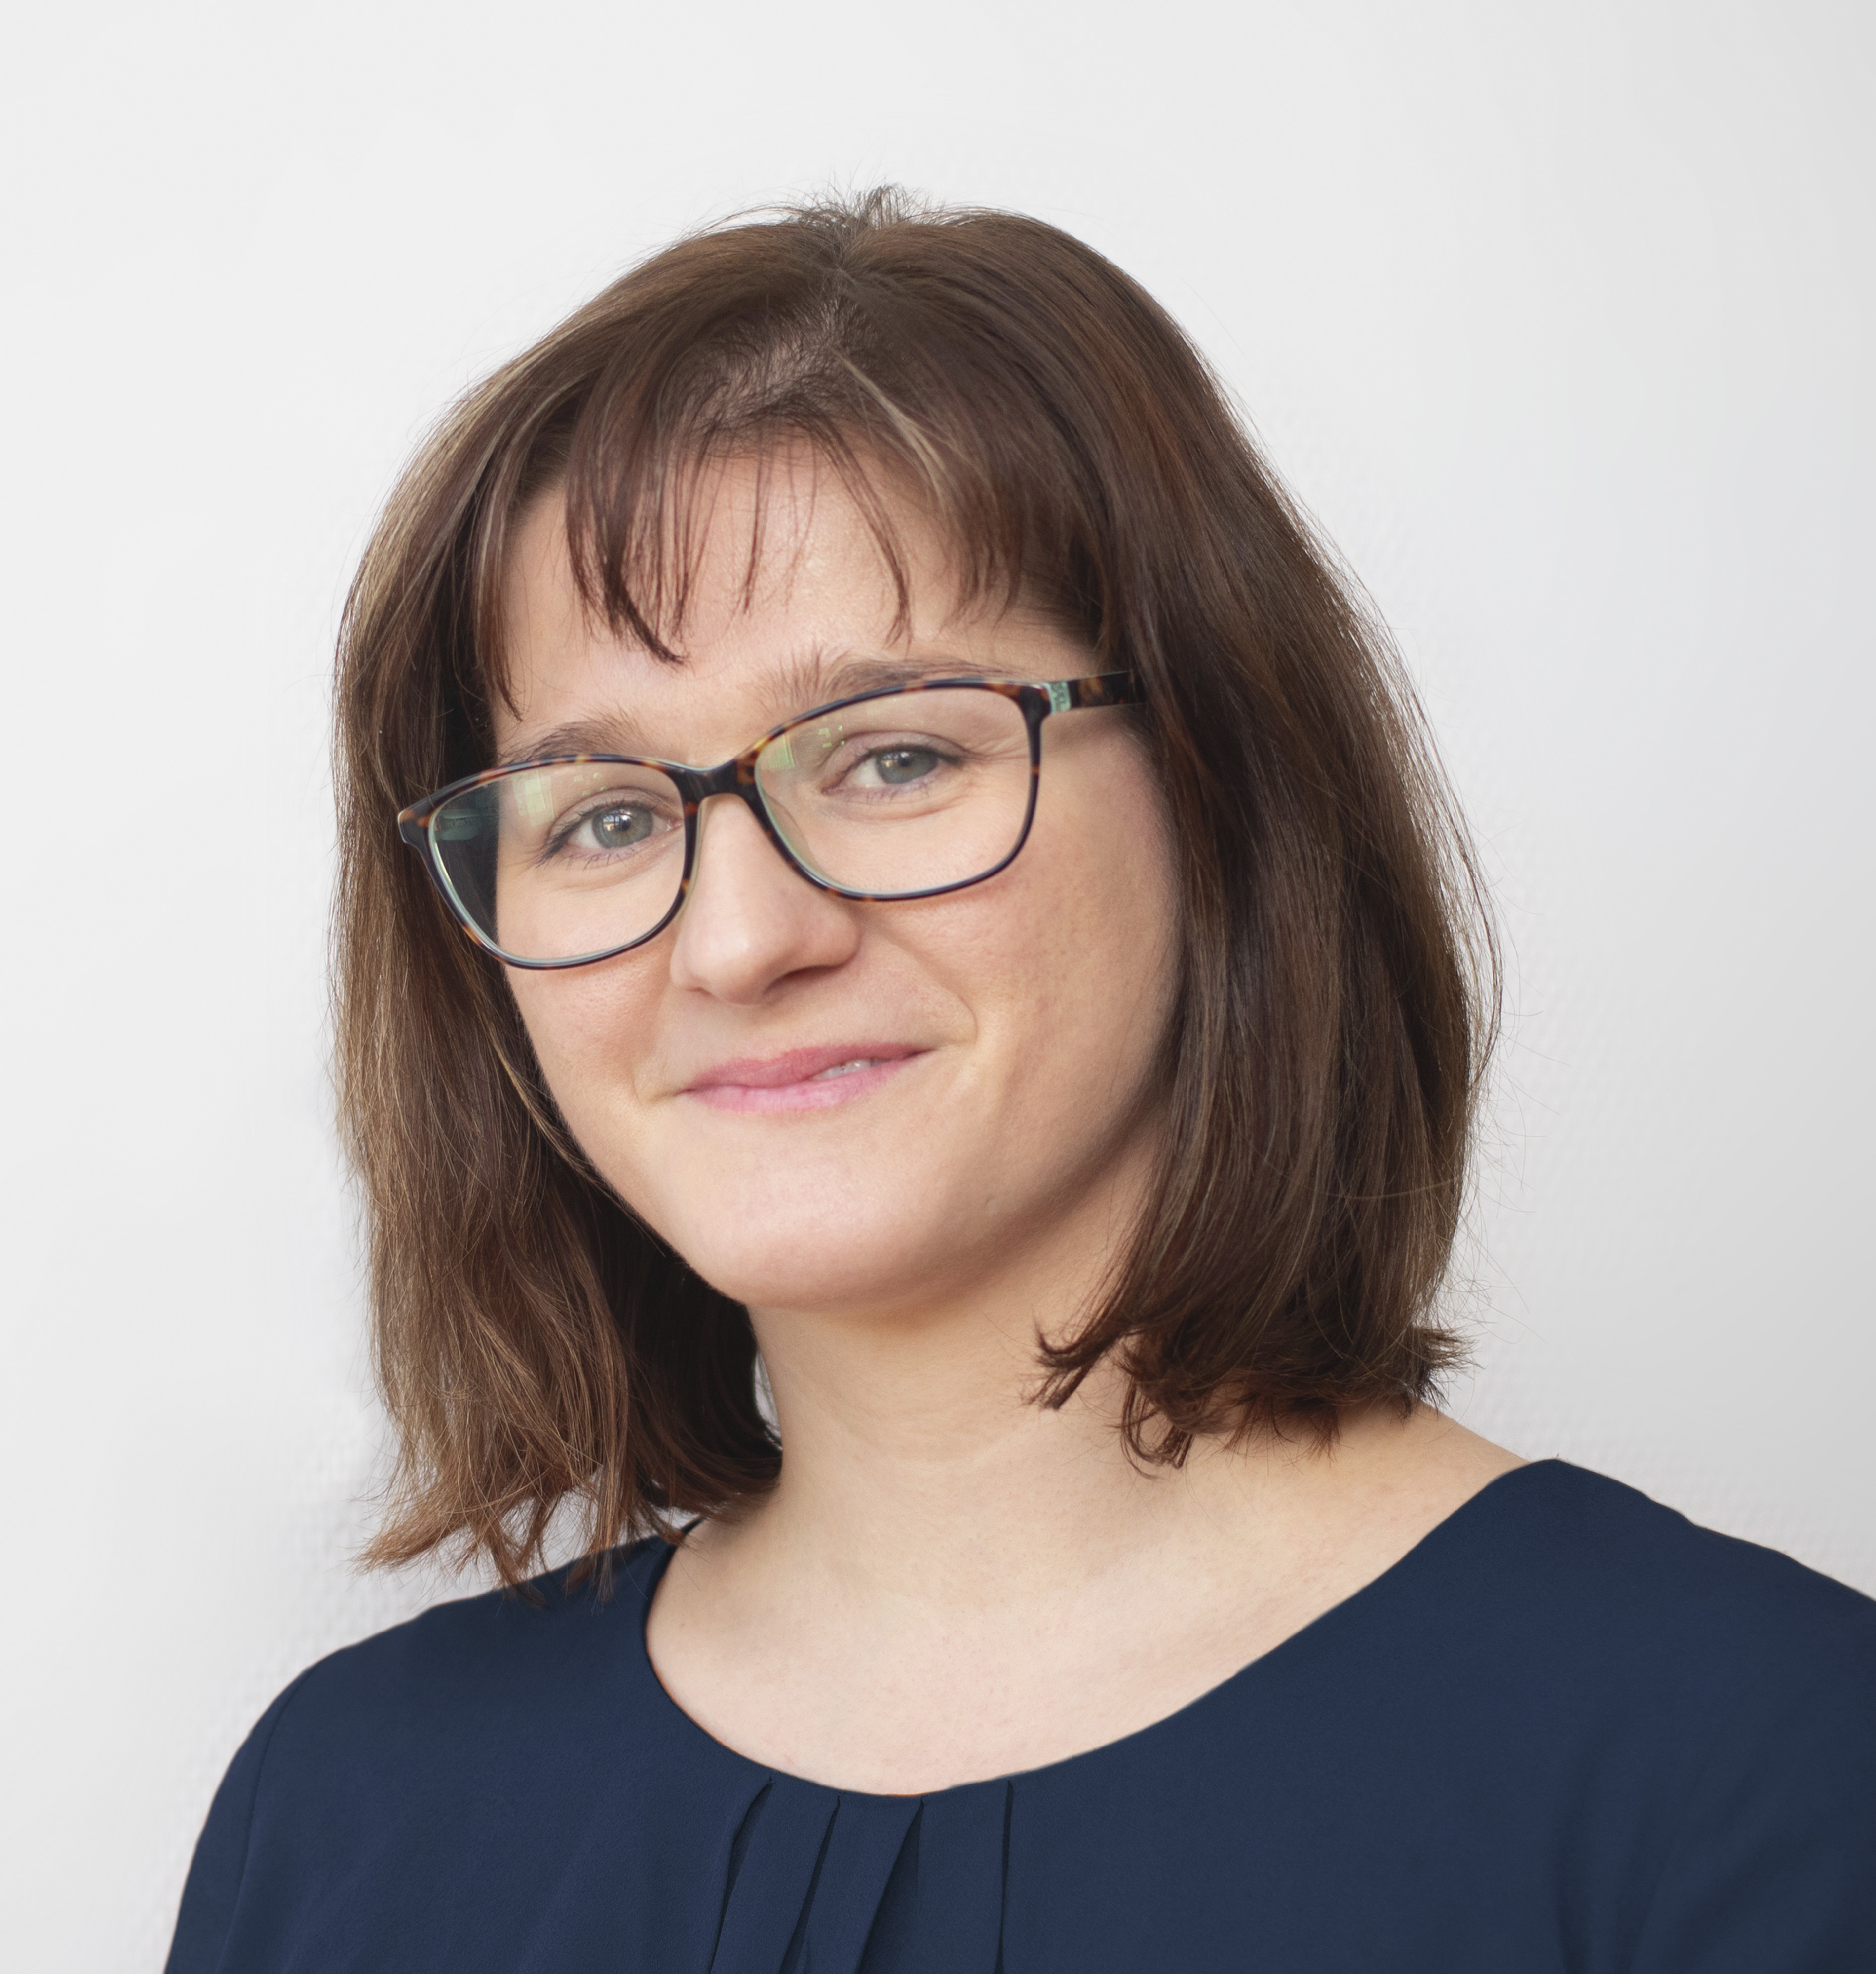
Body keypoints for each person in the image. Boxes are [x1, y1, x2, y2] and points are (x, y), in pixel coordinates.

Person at [166, 190, 1876, 1973]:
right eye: (601, 817)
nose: (739, 942)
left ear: (1226, 791)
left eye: (897, 756)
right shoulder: (350, 1816)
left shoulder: (1758, 1769)